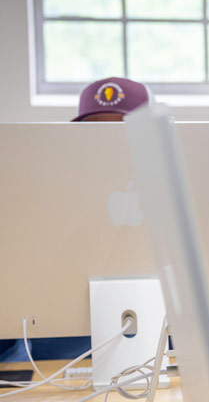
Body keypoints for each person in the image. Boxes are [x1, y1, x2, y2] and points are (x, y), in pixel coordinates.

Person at [0, 77, 150, 364]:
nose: (106, 144)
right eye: (93, 134)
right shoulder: (40, 194)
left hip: (158, 344)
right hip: (51, 354)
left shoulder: (178, 192)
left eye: (121, 132)